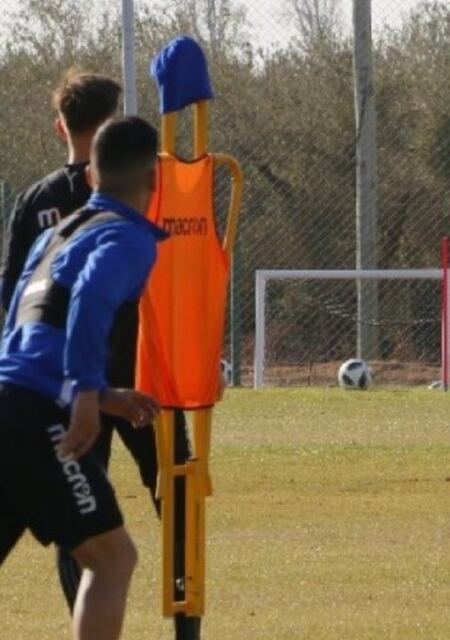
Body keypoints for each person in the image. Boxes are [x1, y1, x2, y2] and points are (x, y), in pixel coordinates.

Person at [0, 69, 202, 639]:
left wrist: (101, 395)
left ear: (90, 174)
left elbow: (24, 317)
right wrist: (87, 395)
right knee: (112, 560)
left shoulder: (56, 232)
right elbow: (89, 297)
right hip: (41, 415)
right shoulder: (128, 237)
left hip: (11, 398)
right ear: (154, 180)